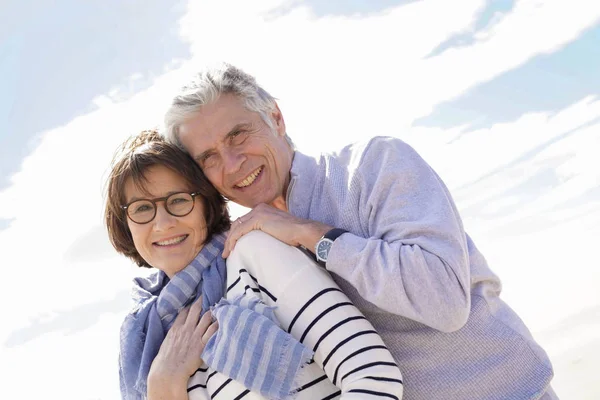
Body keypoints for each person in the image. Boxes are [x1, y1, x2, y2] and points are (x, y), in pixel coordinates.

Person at [162, 63, 557, 400]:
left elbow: (444, 300)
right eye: (209, 157)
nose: (232, 164)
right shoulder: (247, 252)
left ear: (276, 119)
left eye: (238, 135)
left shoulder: (373, 166)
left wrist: (309, 233)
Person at [105, 129, 403, 400]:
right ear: (125, 223)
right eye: (142, 208)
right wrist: (163, 383)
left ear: (207, 206)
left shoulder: (253, 253)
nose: (162, 223)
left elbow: (375, 378)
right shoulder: (150, 337)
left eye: (179, 200)